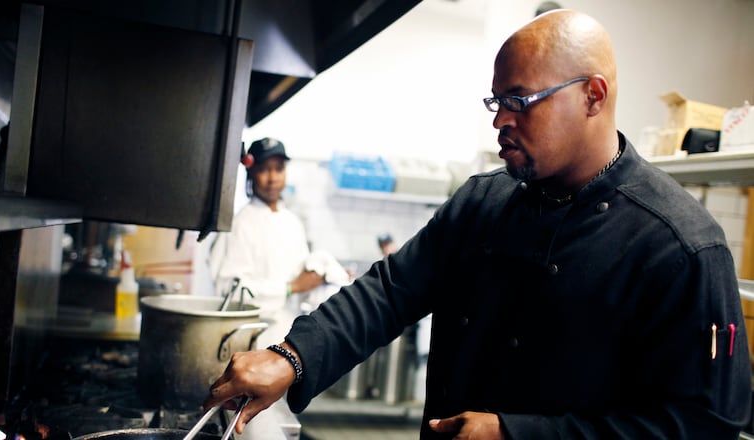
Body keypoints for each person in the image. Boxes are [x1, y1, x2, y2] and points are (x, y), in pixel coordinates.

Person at [205, 10, 752, 439]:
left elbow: (703, 425)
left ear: (593, 95)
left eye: (520, 100)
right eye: (497, 100)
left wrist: (518, 434)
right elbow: (390, 291)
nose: (499, 120)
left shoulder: (681, 247)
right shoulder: (484, 201)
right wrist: (293, 357)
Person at [210, 137, 348, 348]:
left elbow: (302, 283)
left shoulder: (292, 223)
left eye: (279, 169)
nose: (273, 178)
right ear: (251, 173)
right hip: (251, 342)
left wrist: (324, 278)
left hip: (290, 340)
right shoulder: (240, 224)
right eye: (264, 169)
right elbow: (228, 291)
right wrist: (289, 288)